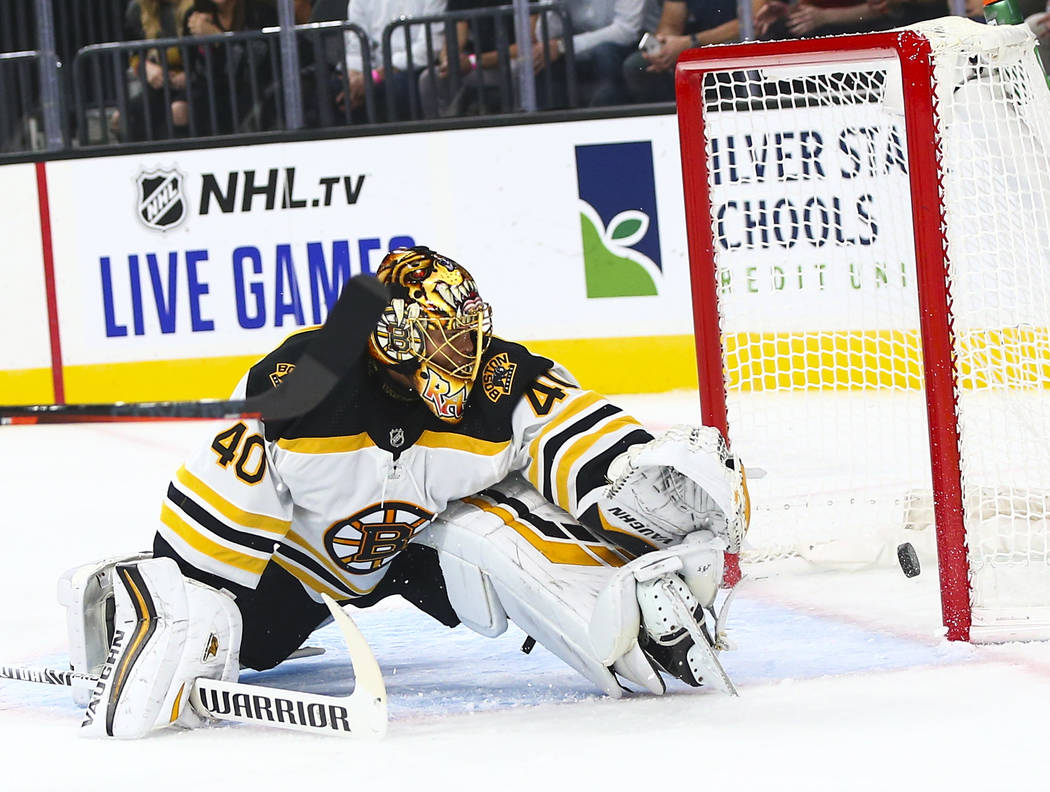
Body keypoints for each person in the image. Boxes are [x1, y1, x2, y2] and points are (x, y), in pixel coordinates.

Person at [57, 246, 749, 738]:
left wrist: (632, 471)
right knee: (253, 646)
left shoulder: (498, 383)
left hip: (411, 550)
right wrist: (185, 591)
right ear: (394, 340)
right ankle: (139, 595)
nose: (468, 359)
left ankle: (621, 612)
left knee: (505, 541)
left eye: (470, 337)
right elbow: (228, 468)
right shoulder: (312, 390)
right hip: (302, 570)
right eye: (448, 343)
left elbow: (563, 420)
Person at [416, 0, 549, 118]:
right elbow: (454, 40)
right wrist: (449, 61)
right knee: (429, 78)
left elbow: (526, 44)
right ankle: (441, 133)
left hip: (509, 61)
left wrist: (474, 61)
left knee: (518, 69)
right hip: (475, 65)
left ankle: (520, 124)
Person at [622, 0, 753, 104]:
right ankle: (668, 124)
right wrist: (664, 45)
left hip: (746, 44)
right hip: (699, 45)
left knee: (725, 57)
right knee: (638, 65)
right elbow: (671, 25)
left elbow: (752, 22)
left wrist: (691, 42)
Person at [180, 0, 280, 135]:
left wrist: (218, 38)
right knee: (181, 108)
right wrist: (203, 43)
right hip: (212, 92)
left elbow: (254, 66)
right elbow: (193, 69)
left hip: (253, 88)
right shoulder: (195, 16)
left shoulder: (260, 13)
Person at [341, 0, 448, 122]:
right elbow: (356, 47)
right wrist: (355, 79)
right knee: (336, 91)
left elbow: (428, 47)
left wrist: (376, 76)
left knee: (394, 88)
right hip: (371, 72)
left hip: (411, 68)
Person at [540, 0, 655, 107]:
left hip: (627, 47)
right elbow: (544, 35)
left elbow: (626, 31)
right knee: (540, 62)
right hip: (577, 51)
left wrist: (565, 46)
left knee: (604, 53)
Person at [118, 0, 189, 141]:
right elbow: (134, 53)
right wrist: (145, 67)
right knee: (121, 119)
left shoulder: (196, 8)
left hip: (198, 84)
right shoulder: (139, 9)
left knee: (177, 111)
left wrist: (190, 75)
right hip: (161, 85)